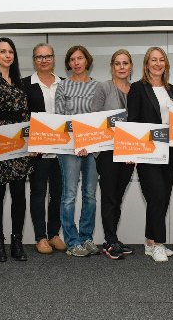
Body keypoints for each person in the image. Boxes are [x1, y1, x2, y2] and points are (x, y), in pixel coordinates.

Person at [0, 37, 33, 263]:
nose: (7, 55)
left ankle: (17, 241)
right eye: (2, 51)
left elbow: (26, 112)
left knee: (19, 194)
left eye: (10, 51)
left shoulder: (19, 80)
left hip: (19, 141)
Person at [128, 47, 173, 262]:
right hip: (147, 152)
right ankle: (158, 243)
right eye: (153, 60)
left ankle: (149, 241)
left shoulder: (172, 89)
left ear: (165, 64)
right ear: (147, 64)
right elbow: (132, 121)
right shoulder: (138, 88)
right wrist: (132, 150)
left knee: (163, 197)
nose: (158, 64)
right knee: (156, 195)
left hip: (169, 151)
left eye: (161, 60)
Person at [55, 45, 104, 257]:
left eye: (80, 58)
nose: (76, 62)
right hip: (68, 148)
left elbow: (99, 120)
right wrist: (76, 143)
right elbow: (60, 119)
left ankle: (86, 238)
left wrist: (88, 143)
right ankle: (72, 241)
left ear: (87, 61)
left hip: (93, 148)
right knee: (69, 196)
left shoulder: (98, 87)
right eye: (72, 59)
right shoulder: (62, 87)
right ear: (68, 64)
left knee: (90, 195)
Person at [24, 43, 66, 255]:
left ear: (53, 59)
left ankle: (54, 234)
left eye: (48, 56)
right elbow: (22, 119)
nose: (44, 60)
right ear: (34, 59)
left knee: (58, 193)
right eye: (39, 57)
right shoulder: (25, 85)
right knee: (39, 193)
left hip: (61, 150)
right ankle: (40, 236)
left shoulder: (64, 84)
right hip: (38, 151)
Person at [96, 50, 136, 260]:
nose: (121, 67)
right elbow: (95, 119)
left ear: (131, 67)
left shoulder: (136, 90)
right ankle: (110, 241)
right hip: (107, 152)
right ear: (112, 66)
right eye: (117, 63)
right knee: (109, 196)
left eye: (125, 63)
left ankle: (113, 237)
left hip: (129, 153)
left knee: (118, 196)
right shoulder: (103, 87)